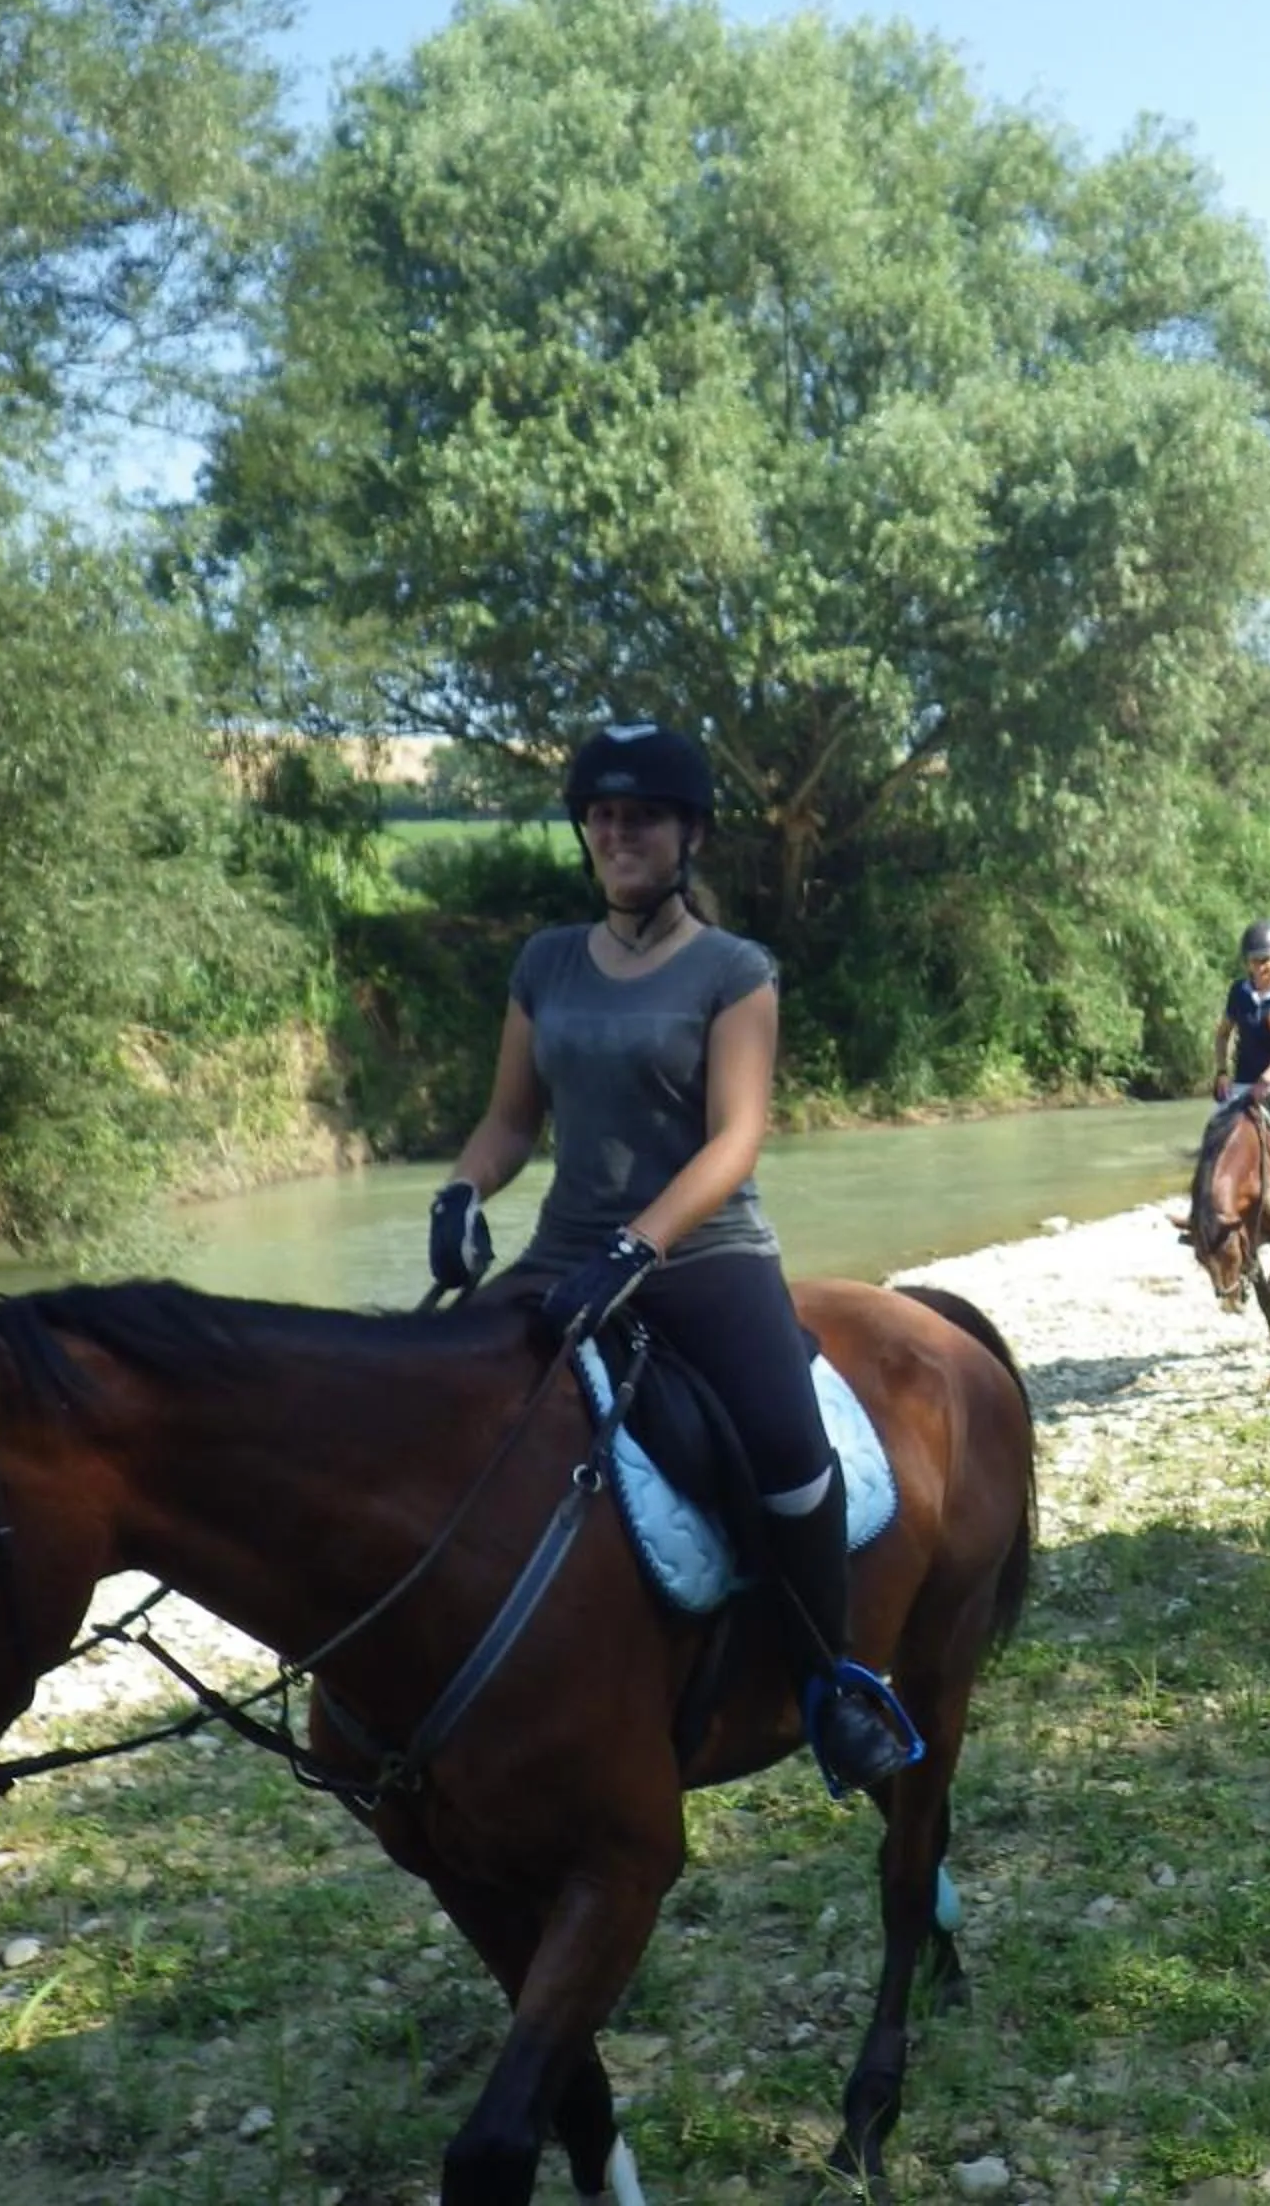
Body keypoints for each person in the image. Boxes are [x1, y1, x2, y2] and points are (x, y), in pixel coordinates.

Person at [425, 721, 914, 1796]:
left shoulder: (733, 970)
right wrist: (463, 1190)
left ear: (687, 833)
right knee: (428, 1400)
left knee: (791, 1457)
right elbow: (510, 1122)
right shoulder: (545, 963)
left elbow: (735, 1135)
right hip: (564, 1252)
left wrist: (639, 1245)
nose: (616, 833)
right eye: (600, 816)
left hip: (704, 1253)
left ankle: (831, 1684)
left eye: (639, 816)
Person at [1211, 919, 1270, 1110]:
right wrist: (1222, 1072)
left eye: (1265, 961)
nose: (1259, 968)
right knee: (1215, 1130)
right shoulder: (1238, 992)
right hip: (1242, 1085)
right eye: (1254, 961)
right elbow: (1222, 1035)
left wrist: (1266, 1080)